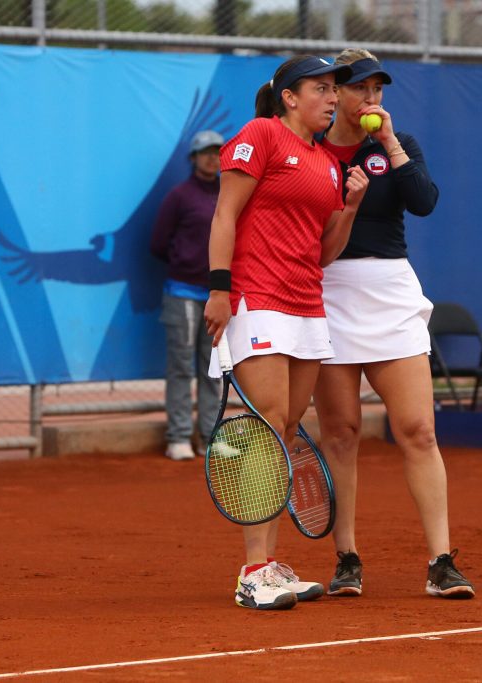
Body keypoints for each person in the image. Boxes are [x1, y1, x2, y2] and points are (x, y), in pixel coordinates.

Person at [202, 55, 368, 610]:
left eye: (333, 90)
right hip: (258, 298)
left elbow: (324, 252)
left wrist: (349, 205)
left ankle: (269, 567)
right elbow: (224, 215)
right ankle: (253, 571)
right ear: (289, 97)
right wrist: (220, 289)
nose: (331, 98)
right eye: (321, 88)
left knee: (290, 429)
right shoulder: (261, 134)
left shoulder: (324, 163)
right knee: (267, 426)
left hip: (306, 306)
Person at [312, 49, 475, 599]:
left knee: (418, 431)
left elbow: (424, 202)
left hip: (391, 291)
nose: (372, 99)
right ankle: (347, 558)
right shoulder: (307, 150)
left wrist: (389, 144)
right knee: (340, 434)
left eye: (378, 89)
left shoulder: (397, 145)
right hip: (328, 291)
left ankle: (441, 561)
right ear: (336, 95)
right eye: (360, 89)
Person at [149, 130, 225, 461]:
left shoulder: (229, 193)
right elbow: (158, 244)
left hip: (217, 297)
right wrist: (187, 264)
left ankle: (210, 437)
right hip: (181, 294)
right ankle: (178, 436)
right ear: (193, 158)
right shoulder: (179, 197)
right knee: (181, 367)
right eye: (205, 152)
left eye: (217, 152)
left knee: (213, 369)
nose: (212, 157)